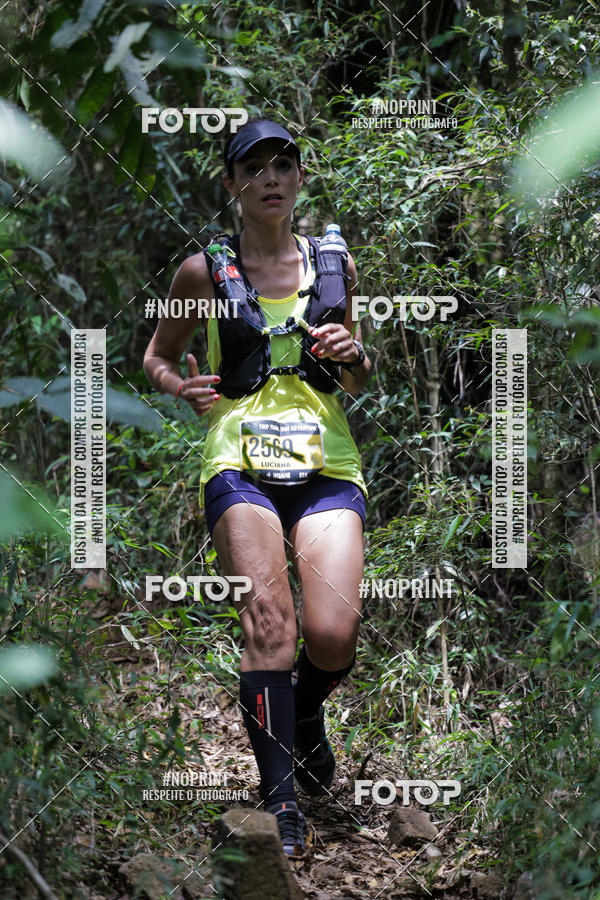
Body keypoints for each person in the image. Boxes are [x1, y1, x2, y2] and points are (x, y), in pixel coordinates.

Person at [143, 118, 371, 858]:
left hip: (327, 462)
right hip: (239, 462)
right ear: (231, 182)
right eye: (255, 168)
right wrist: (183, 386)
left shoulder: (334, 264)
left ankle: (303, 719)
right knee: (270, 624)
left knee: (333, 638)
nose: (271, 179)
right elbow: (156, 356)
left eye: (284, 166)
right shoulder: (202, 273)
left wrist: (353, 351)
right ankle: (281, 807)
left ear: (300, 179)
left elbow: (358, 373)